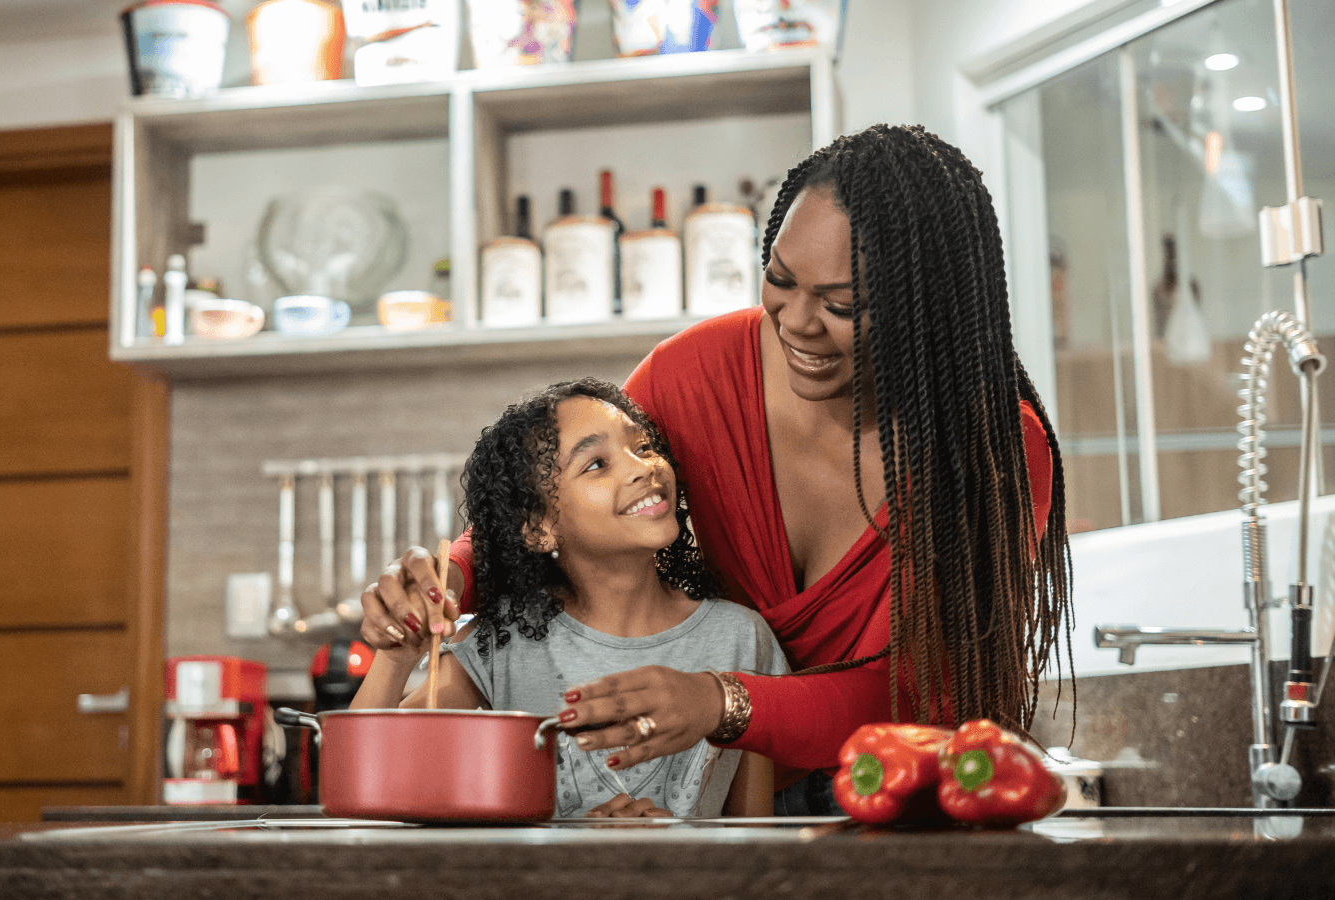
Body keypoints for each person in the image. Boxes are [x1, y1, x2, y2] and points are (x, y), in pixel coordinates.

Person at [361, 124, 1073, 815]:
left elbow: (923, 692)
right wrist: (448, 579)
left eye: (842, 304)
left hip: (901, 785)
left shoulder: (994, 455)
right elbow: (564, 503)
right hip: (737, 779)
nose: (794, 322)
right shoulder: (696, 374)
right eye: (780, 280)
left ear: (932, 309)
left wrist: (721, 701)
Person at [350, 379, 786, 818]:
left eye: (645, 446)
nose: (642, 468)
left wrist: (676, 852)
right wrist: (395, 658)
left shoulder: (742, 639)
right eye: (596, 464)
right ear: (539, 528)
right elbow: (364, 783)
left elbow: (756, 844)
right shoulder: (501, 645)